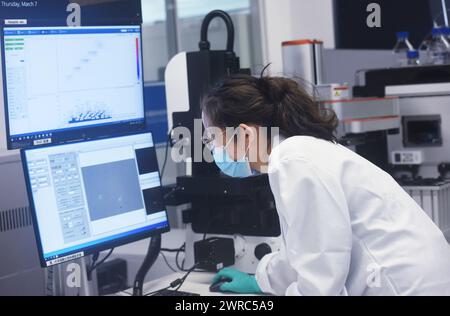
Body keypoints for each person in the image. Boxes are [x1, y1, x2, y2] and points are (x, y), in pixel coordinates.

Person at [201, 74, 450, 296]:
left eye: (213, 139)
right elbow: (302, 252)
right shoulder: (297, 152)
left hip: (404, 286)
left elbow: (321, 281)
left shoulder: (292, 160)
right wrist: (261, 281)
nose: (213, 150)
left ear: (245, 134)